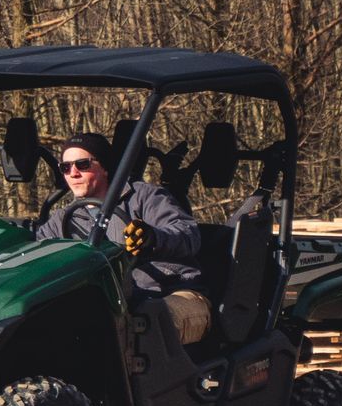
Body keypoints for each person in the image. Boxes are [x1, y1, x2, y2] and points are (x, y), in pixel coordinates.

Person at [34, 132, 212, 346]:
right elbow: (37, 253)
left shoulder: (145, 197)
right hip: (114, 306)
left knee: (145, 325)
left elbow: (187, 234)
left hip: (174, 293)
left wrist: (152, 238)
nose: (73, 173)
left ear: (105, 167)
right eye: (65, 167)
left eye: (82, 164)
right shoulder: (63, 219)